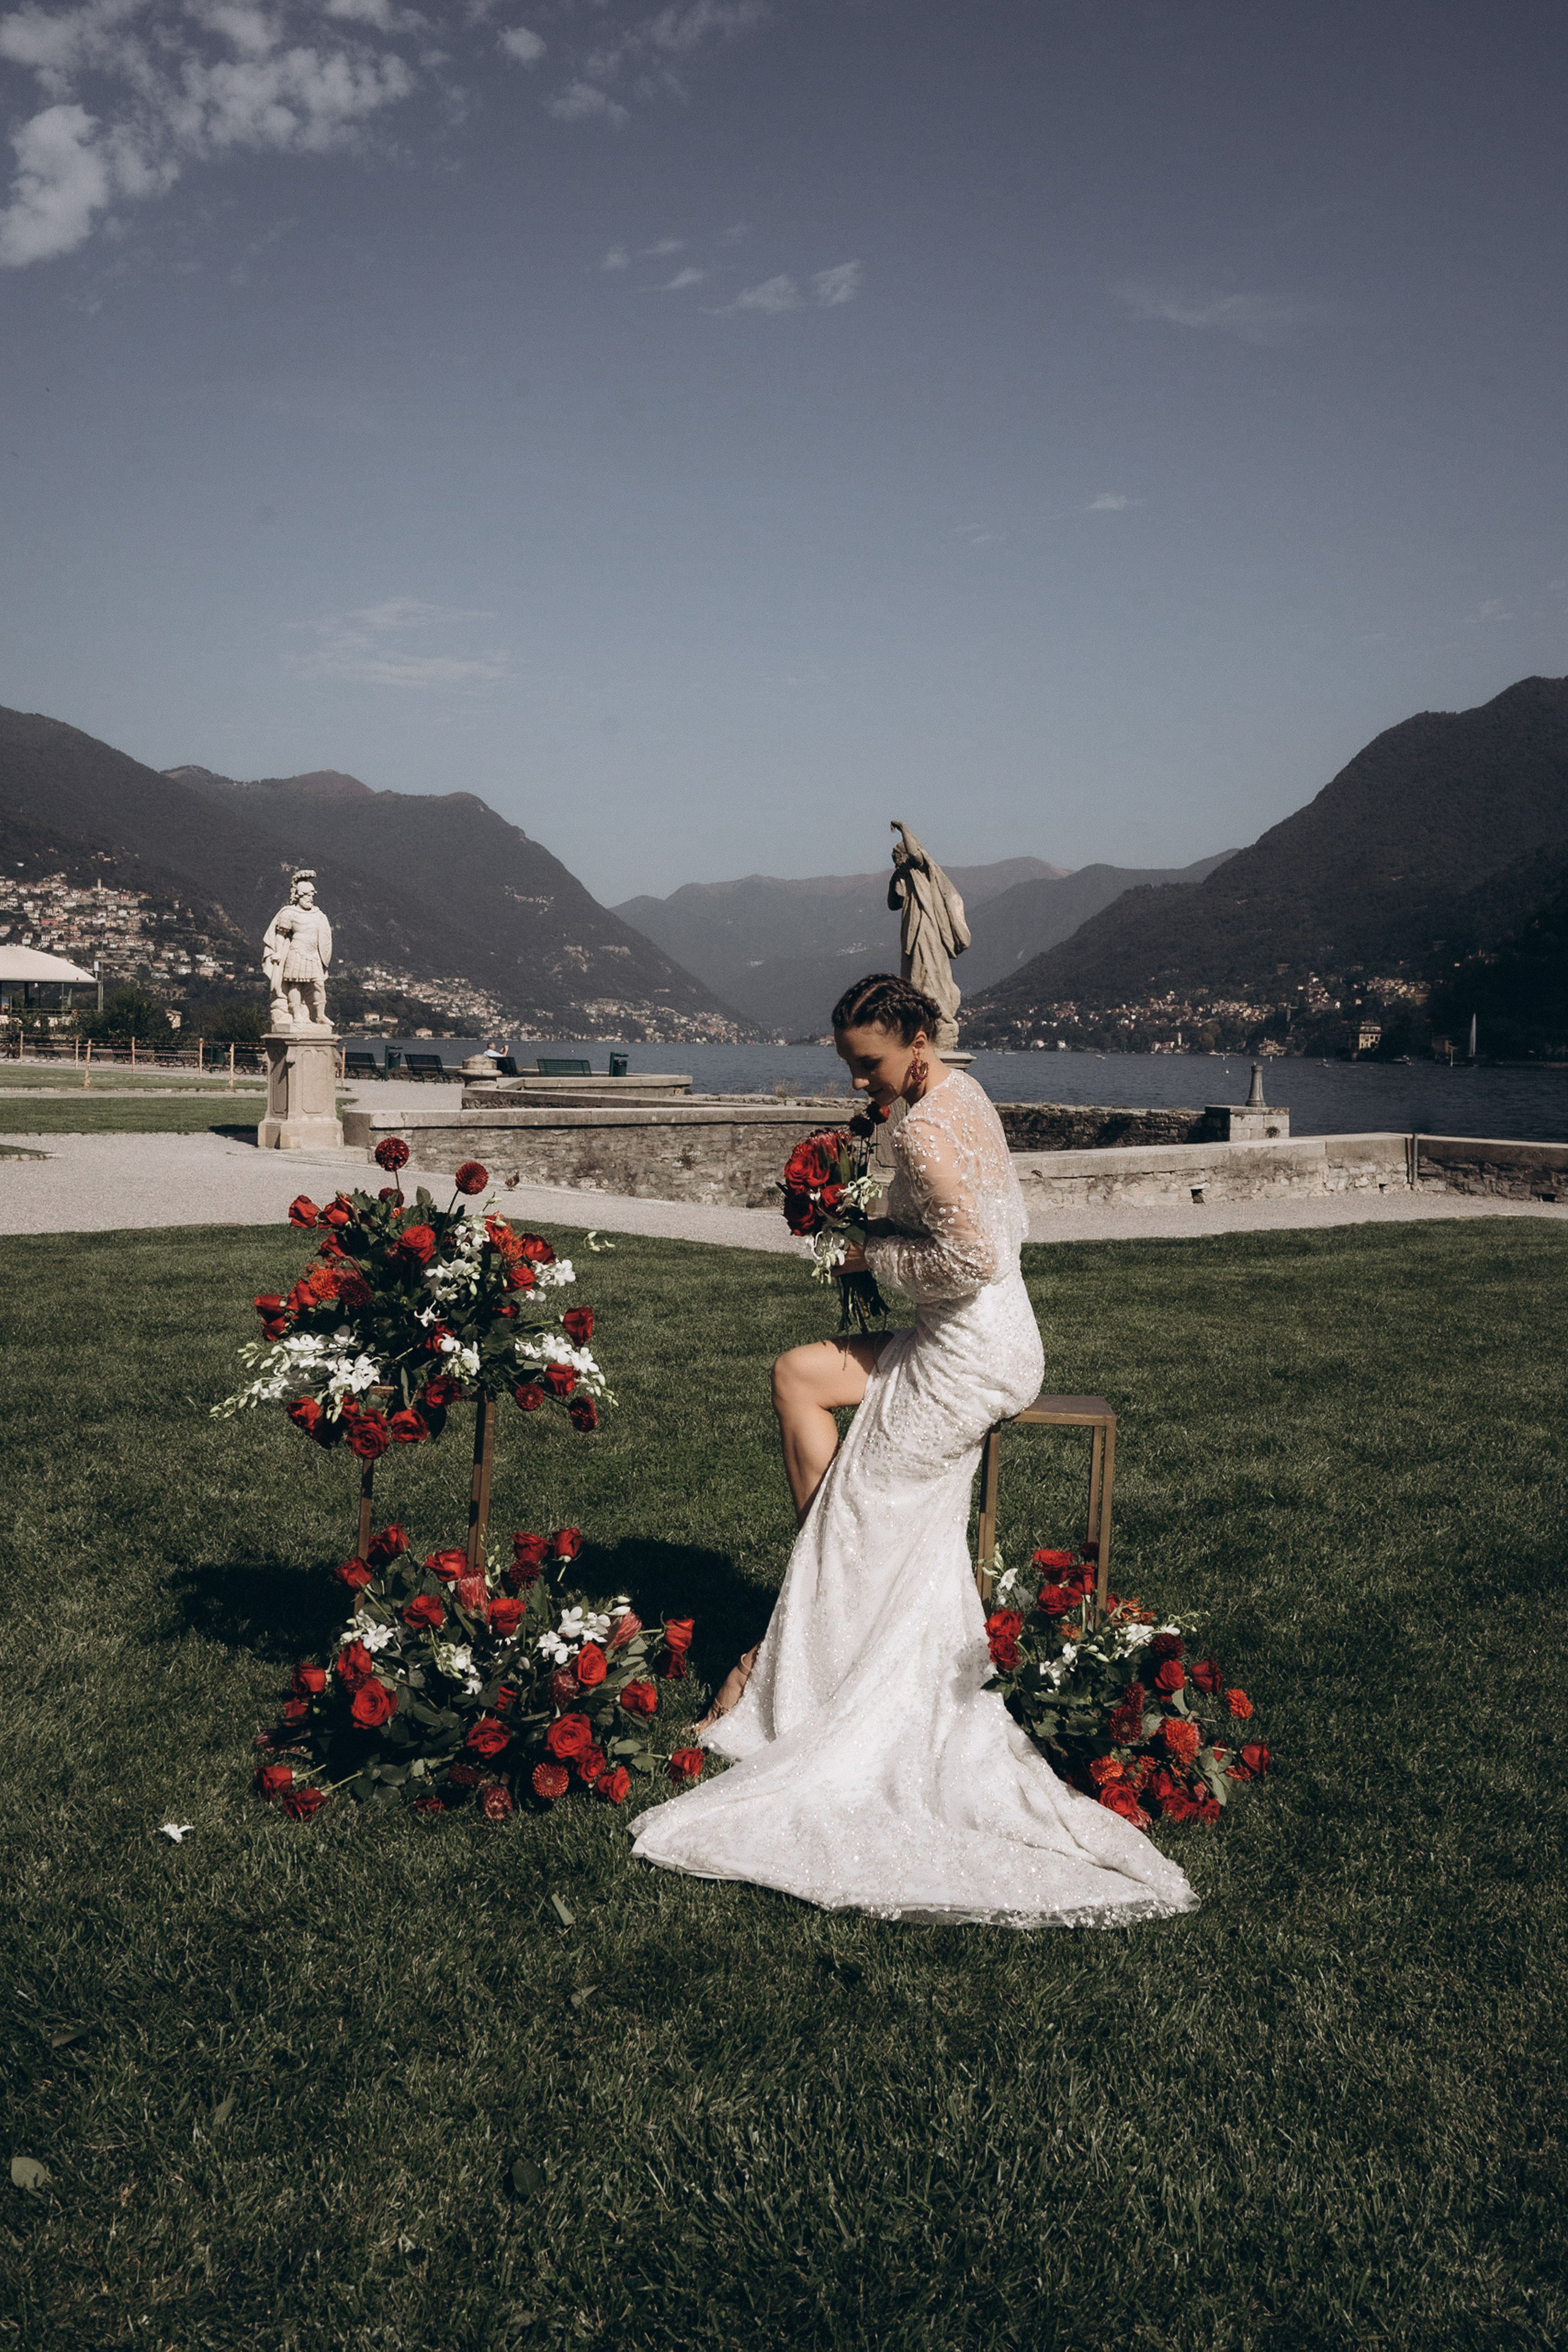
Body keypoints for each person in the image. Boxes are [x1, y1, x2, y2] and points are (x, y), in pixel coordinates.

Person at [631, 973, 1196, 1929]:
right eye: (853, 1067)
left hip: (969, 1355)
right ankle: (815, 1622)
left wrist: (865, 1254)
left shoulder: (926, 1125)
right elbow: (999, 1224)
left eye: (871, 1064)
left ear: (915, 1039)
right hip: (974, 1337)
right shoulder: (958, 1093)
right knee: (799, 1376)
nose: (861, 1084)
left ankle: (779, 1672)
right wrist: (876, 1221)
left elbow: (977, 1254)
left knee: (860, 1512)